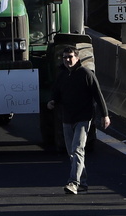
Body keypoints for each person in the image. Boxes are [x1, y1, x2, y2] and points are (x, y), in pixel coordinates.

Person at [47, 46, 110, 195]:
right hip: (67, 118)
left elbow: (98, 95)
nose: (68, 60)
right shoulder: (62, 75)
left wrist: (105, 115)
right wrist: (52, 101)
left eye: (70, 57)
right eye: (65, 57)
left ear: (77, 58)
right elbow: (56, 92)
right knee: (72, 153)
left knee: (77, 149)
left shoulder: (86, 74)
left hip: (83, 117)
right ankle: (83, 182)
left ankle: (73, 183)